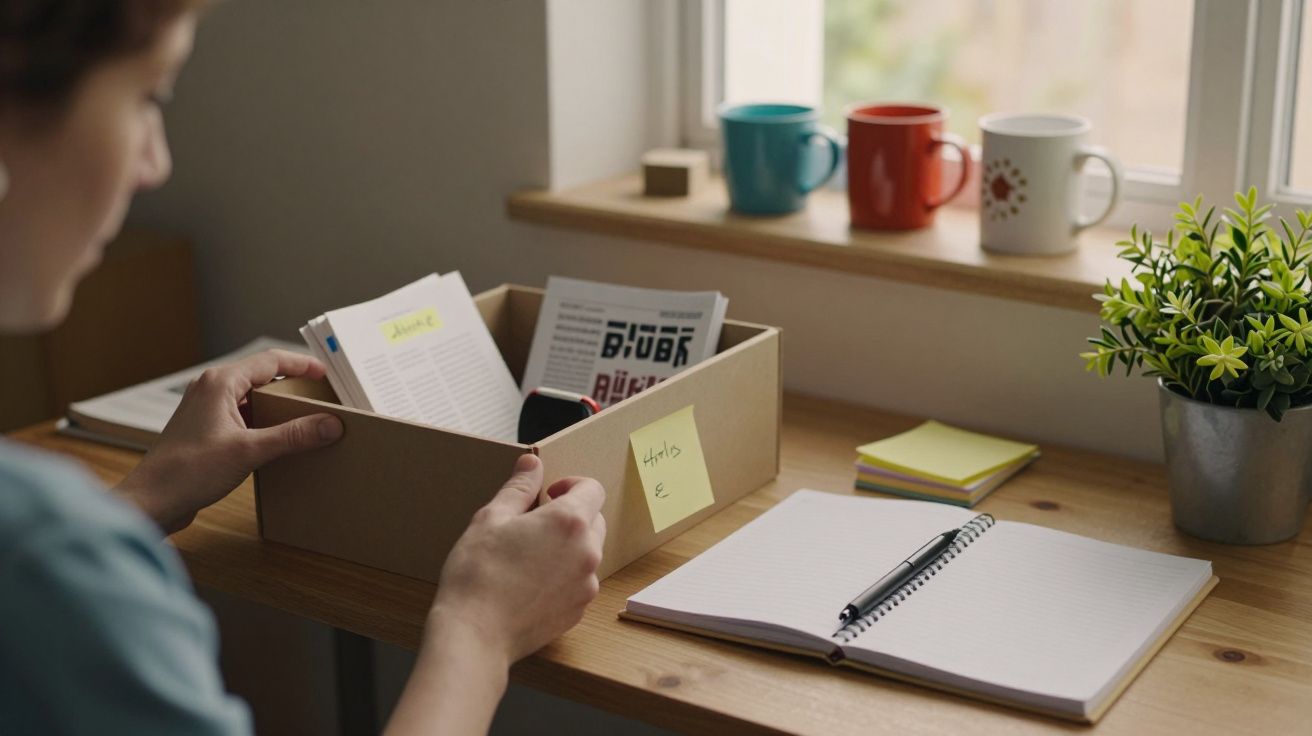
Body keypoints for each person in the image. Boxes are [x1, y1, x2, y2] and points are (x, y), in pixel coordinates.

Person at [0, 2, 607, 733]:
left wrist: (147, 496)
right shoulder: (48, 558)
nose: (156, 164)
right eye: (147, 96)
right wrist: (481, 632)